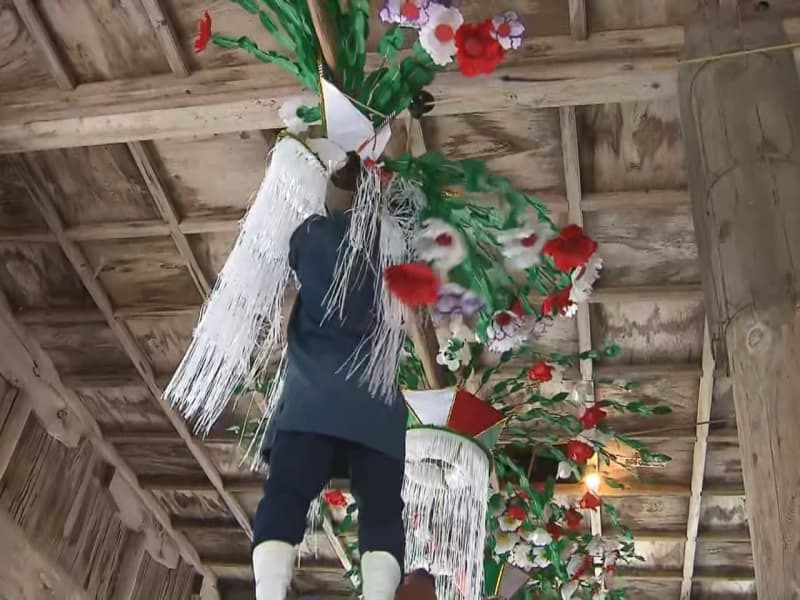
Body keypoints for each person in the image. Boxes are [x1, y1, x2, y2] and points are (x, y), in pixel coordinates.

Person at [251, 175, 409, 600]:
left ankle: (269, 590)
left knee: (288, 489)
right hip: (375, 410)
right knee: (380, 505)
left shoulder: (317, 239)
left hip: (313, 400)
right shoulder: (395, 255)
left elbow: (295, 248)